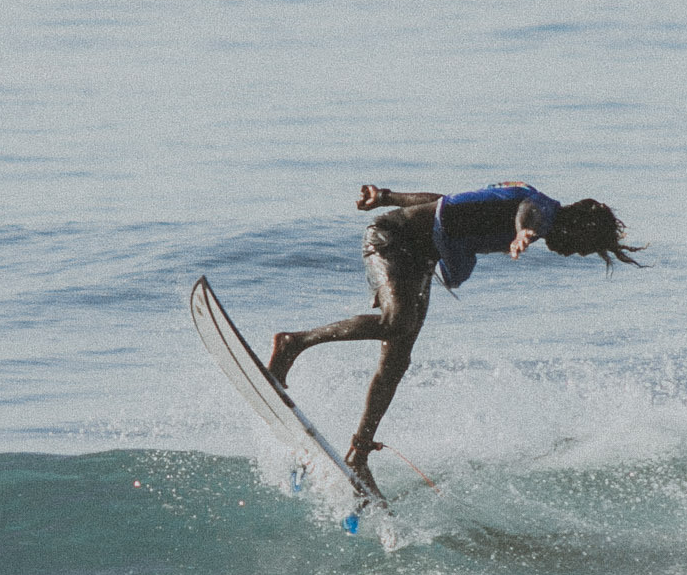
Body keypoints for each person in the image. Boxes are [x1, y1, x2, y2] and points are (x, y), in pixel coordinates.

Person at [266, 183, 643, 493]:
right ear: (578, 224)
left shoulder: (527, 203)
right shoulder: (540, 208)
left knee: (397, 358)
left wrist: (387, 196)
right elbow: (529, 211)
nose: (577, 253)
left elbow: (445, 203)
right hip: (391, 240)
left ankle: (359, 454)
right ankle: (293, 344)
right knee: (397, 321)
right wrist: (524, 230)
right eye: (584, 245)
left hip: (418, 257)